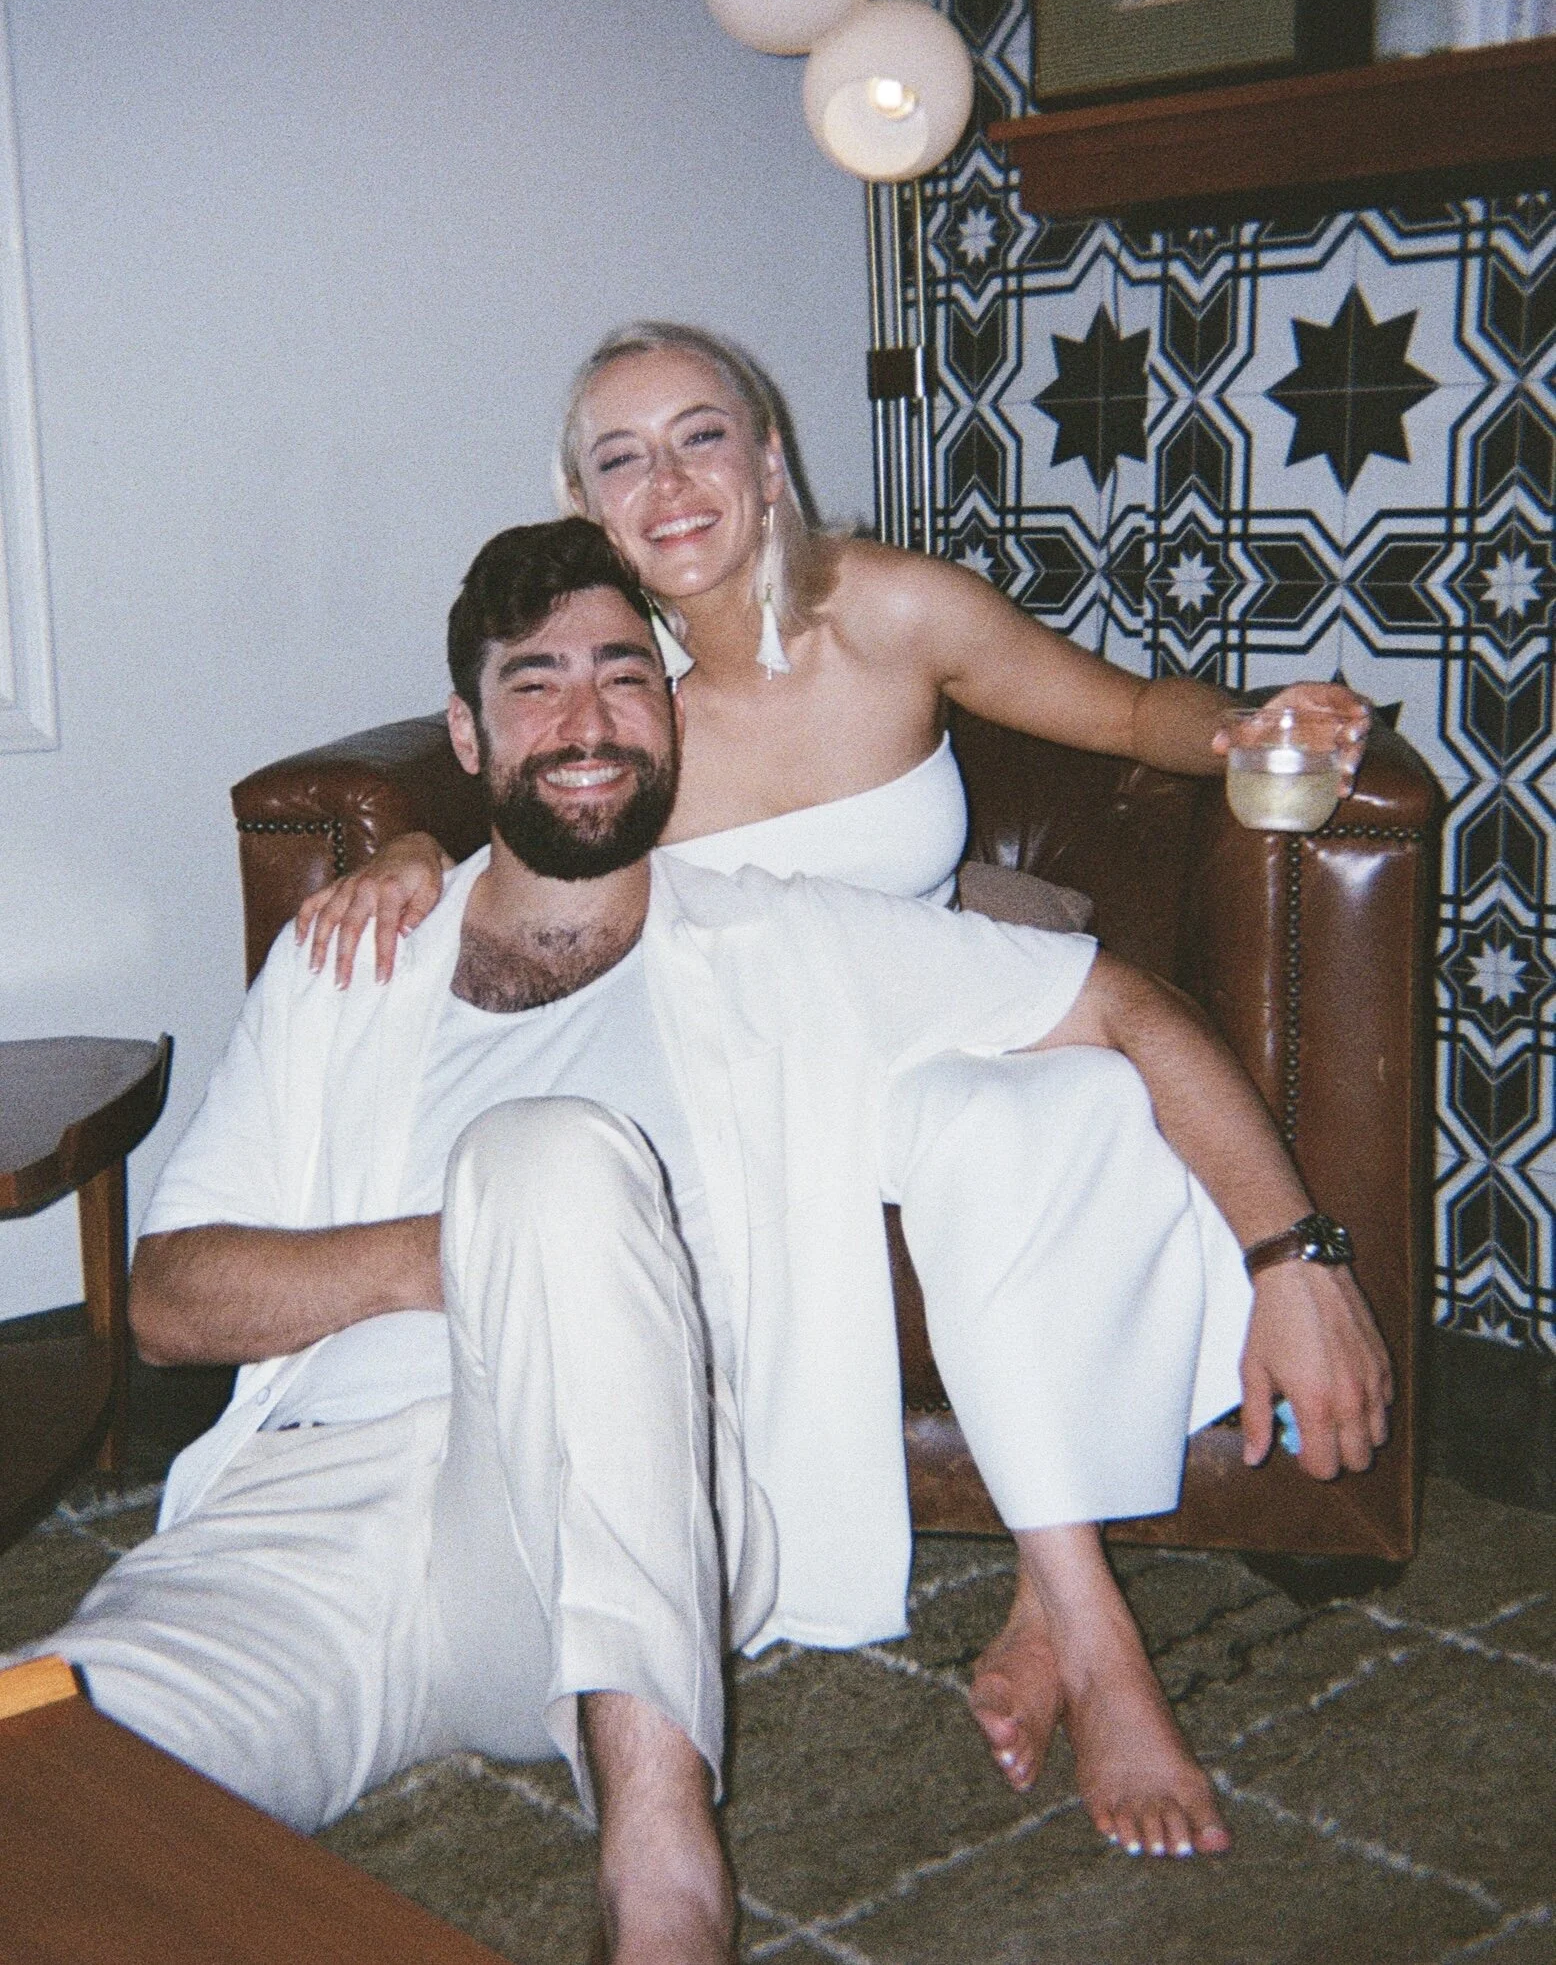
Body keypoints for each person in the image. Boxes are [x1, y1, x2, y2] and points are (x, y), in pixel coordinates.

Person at [19, 522, 1390, 1963]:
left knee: (552, 1156)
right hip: (310, 1513)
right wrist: (461, 1256)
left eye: (625, 674)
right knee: (57, 1770)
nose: (587, 717)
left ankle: (665, 1869)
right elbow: (168, 1298)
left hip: (625, 1542)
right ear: (467, 735)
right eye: (536, 682)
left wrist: (1294, 1255)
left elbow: (1126, 1008)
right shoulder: (352, 960)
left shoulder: (782, 940)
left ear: (670, 720)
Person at [296, 320, 1372, 982]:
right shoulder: (599, 689)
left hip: (948, 1022)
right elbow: (506, 837)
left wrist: (1248, 727)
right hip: (731, 1070)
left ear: (768, 465)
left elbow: (1134, 715)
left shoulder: (898, 610)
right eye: (622, 459)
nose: (668, 483)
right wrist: (408, 853)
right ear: (584, 503)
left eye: (700, 436)